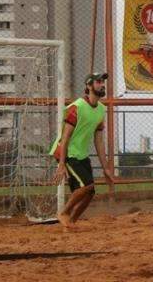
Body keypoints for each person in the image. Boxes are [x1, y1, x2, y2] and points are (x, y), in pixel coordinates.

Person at [50, 72, 113, 229]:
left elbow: (99, 141)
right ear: (89, 86)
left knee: (89, 193)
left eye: (103, 82)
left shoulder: (101, 110)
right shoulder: (76, 107)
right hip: (67, 152)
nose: (102, 84)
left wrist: (105, 168)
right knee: (86, 186)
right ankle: (63, 213)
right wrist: (62, 163)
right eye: (98, 82)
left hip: (81, 154)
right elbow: (65, 137)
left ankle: (70, 223)